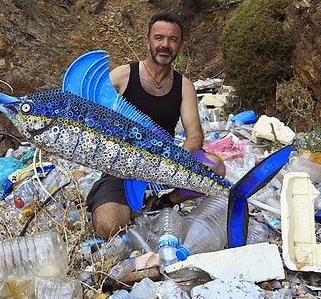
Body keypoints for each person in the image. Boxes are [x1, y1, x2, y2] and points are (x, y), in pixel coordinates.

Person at [86, 12, 225, 240]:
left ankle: (163, 201)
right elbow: (92, 117)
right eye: (159, 38)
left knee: (215, 168)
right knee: (108, 226)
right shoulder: (122, 76)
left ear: (180, 45)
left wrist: (171, 158)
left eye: (172, 40)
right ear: (147, 41)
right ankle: (119, 199)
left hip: (163, 165)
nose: (165, 45)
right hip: (123, 168)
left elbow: (194, 137)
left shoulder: (184, 86)